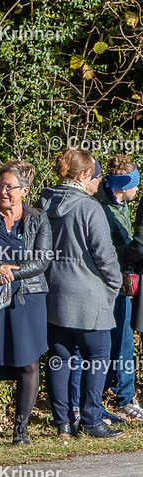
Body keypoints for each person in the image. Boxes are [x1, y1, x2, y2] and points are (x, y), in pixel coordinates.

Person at [0, 161, 53, 446]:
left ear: (24, 191)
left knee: (28, 363)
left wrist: (11, 272)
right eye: (1, 185)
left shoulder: (39, 218)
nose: (3, 191)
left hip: (28, 296)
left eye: (10, 187)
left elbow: (42, 260)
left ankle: (21, 430)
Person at [42, 148, 122, 438]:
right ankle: (91, 419)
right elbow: (105, 255)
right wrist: (115, 284)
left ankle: (63, 423)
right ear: (84, 175)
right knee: (98, 357)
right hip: (89, 294)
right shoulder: (90, 208)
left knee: (59, 360)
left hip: (53, 294)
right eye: (95, 175)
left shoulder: (43, 204)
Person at [95, 154, 142, 421]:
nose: (138, 188)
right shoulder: (101, 208)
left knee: (123, 342)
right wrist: (132, 252)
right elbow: (108, 248)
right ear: (124, 186)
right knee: (113, 344)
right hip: (109, 283)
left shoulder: (119, 204)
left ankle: (124, 395)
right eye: (135, 183)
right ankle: (112, 398)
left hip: (122, 282)